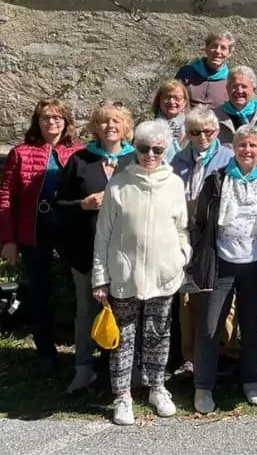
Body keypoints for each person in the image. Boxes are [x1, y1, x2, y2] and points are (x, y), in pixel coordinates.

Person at [91, 120, 191, 426]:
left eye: (157, 149)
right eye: (145, 148)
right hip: (125, 275)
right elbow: (103, 235)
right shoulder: (119, 184)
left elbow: (182, 228)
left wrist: (181, 257)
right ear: (136, 148)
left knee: (158, 335)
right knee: (123, 338)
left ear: (164, 151)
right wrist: (100, 277)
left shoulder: (174, 184)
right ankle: (122, 396)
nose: (150, 154)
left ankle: (157, 387)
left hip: (163, 275)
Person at [190, 125, 257, 413]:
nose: (247, 150)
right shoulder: (216, 180)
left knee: (253, 327)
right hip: (222, 264)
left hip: (256, 265)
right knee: (209, 326)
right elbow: (201, 222)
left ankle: (251, 381)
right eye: (242, 145)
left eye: (253, 145)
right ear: (234, 147)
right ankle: (203, 387)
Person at [57, 102, 137, 393]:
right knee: (86, 311)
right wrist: (83, 204)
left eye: (116, 121)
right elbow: (59, 204)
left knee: (127, 312)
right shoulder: (80, 160)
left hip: (127, 253)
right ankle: (84, 369)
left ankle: (129, 370)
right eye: (104, 122)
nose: (110, 126)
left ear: (126, 127)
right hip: (86, 251)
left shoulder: (136, 159)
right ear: (96, 127)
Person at [0, 99, 82, 375]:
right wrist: (8, 240)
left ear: (66, 122)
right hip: (34, 231)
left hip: (71, 232)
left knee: (81, 291)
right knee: (39, 293)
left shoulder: (79, 152)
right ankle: (46, 353)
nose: (51, 122)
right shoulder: (21, 153)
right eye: (46, 117)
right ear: (38, 122)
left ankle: (84, 351)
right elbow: (7, 198)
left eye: (58, 117)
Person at [170, 106, 235, 378]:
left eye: (207, 131)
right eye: (195, 132)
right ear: (187, 133)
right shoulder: (176, 161)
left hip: (219, 236)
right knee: (187, 297)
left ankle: (227, 352)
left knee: (224, 299)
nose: (202, 137)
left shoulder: (228, 158)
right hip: (186, 235)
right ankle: (190, 358)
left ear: (217, 131)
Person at [176, 31, 234, 109]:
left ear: (229, 54)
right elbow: (172, 98)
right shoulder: (186, 72)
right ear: (206, 49)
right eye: (214, 46)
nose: (218, 51)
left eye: (223, 48)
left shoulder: (231, 80)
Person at [215, 65, 257, 146]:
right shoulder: (214, 117)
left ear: (253, 90)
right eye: (234, 86)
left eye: (244, 86)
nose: (239, 91)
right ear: (227, 89)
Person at [152, 80, 190, 162]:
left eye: (178, 98)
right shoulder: (150, 128)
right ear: (159, 101)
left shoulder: (193, 126)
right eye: (167, 97)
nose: (172, 102)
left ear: (185, 102)